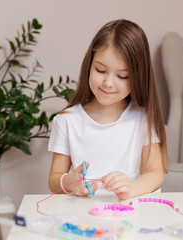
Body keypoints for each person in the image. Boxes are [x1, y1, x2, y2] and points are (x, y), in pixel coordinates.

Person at [48, 19, 168, 200]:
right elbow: (54, 179)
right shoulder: (67, 120)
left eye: (122, 75)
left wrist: (130, 188)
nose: (108, 82)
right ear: (89, 65)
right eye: (100, 70)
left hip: (130, 216)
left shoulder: (143, 119)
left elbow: (155, 174)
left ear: (138, 77)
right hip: (83, 219)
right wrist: (71, 182)